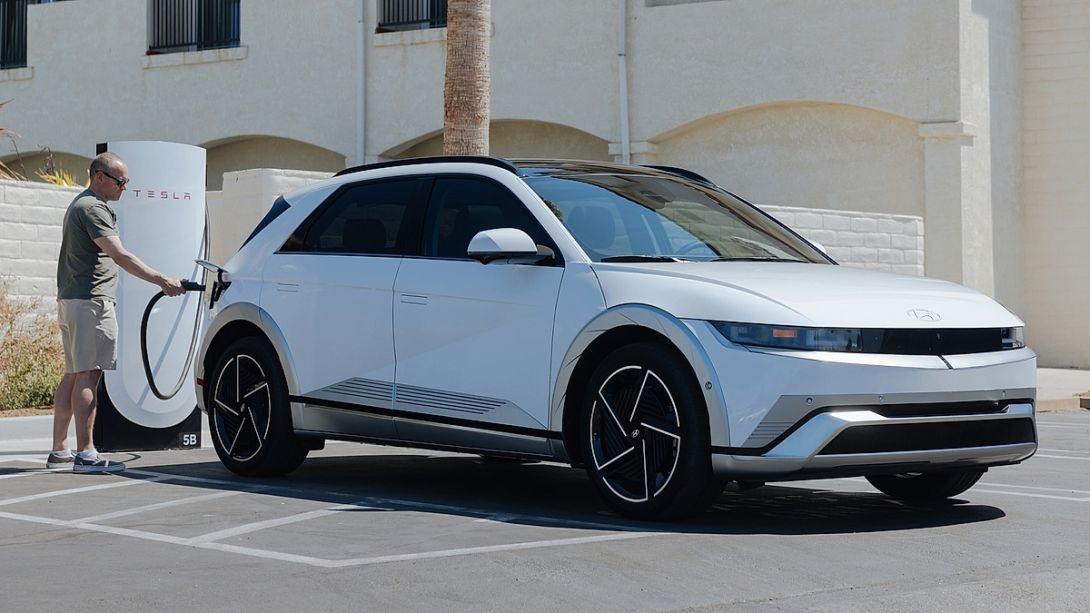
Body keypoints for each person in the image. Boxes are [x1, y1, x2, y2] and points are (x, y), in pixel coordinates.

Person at [47, 152, 185, 473]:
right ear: (99, 177)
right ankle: (86, 455)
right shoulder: (93, 207)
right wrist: (162, 280)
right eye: (120, 181)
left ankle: (59, 451)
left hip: (72, 301)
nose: (124, 187)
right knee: (89, 373)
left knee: (73, 373)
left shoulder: (79, 204)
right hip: (92, 302)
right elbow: (119, 255)